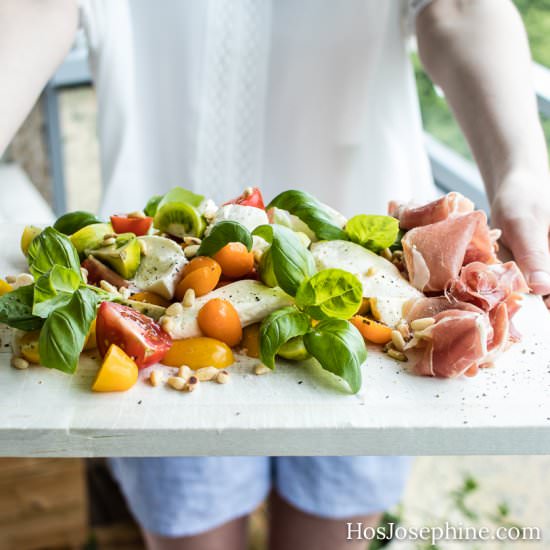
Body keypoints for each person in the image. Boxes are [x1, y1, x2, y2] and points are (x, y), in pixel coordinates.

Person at [1, 1, 549, 549]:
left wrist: (521, 168)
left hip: (372, 309)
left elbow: (456, 6)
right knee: (192, 530)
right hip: (157, 301)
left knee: (331, 531)